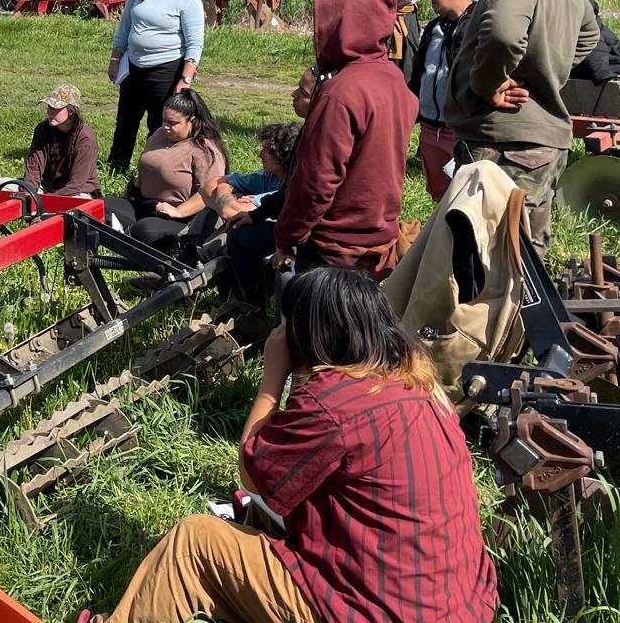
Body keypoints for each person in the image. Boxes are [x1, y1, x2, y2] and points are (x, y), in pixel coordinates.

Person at [77, 266, 497, 623]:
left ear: (308, 336)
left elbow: (253, 472)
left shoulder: (334, 399)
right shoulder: (421, 385)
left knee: (195, 542)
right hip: (462, 605)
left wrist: (272, 375)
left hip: (375, 610)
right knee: (261, 523)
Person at [445, 0, 598, 252]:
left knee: (483, 261)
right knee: (526, 260)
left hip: (502, 145)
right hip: (543, 144)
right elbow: (590, 36)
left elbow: (501, 35)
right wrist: (546, 68)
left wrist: (489, 84)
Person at [274, 0, 417, 277]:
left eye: (328, 23)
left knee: (313, 322)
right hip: (378, 233)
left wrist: (287, 237)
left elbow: (316, 181)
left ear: (345, 26)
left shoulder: (339, 92)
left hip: (336, 243)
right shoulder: (394, 78)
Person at [206, 72, 316, 304]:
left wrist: (283, 242)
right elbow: (216, 186)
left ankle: (249, 301)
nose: (294, 94)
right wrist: (250, 211)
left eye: (303, 92)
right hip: (292, 230)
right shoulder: (272, 176)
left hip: (306, 236)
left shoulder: (309, 156)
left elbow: (299, 201)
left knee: (239, 234)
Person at [106, 0, 205, 175]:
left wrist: (185, 80)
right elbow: (125, 26)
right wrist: (115, 57)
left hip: (165, 68)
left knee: (158, 124)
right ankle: (116, 167)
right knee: (126, 120)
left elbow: (194, 43)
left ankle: (153, 170)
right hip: (133, 65)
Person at [103, 89, 227, 252]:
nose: (165, 127)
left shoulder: (205, 150)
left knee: (144, 231)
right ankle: (125, 235)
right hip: (144, 205)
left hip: (178, 218)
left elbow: (210, 192)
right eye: (164, 120)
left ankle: (126, 237)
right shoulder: (159, 135)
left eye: (173, 123)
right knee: (99, 207)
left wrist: (179, 211)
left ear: (192, 121)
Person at [409, 0, 489, 201]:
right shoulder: (435, 27)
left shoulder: (478, 25)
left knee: (465, 200)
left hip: (459, 132)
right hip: (430, 129)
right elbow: (419, 74)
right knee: (438, 196)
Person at [16, 84, 100, 197]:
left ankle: (42, 210)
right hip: (46, 188)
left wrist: (49, 200)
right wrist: (27, 193)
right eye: (49, 107)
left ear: (71, 111)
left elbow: (77, 184)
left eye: (56, 108)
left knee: (77, 204)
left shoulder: (85, 138)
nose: (49, 112)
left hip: (78, 192)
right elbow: (34, 168)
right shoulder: (42, 129)